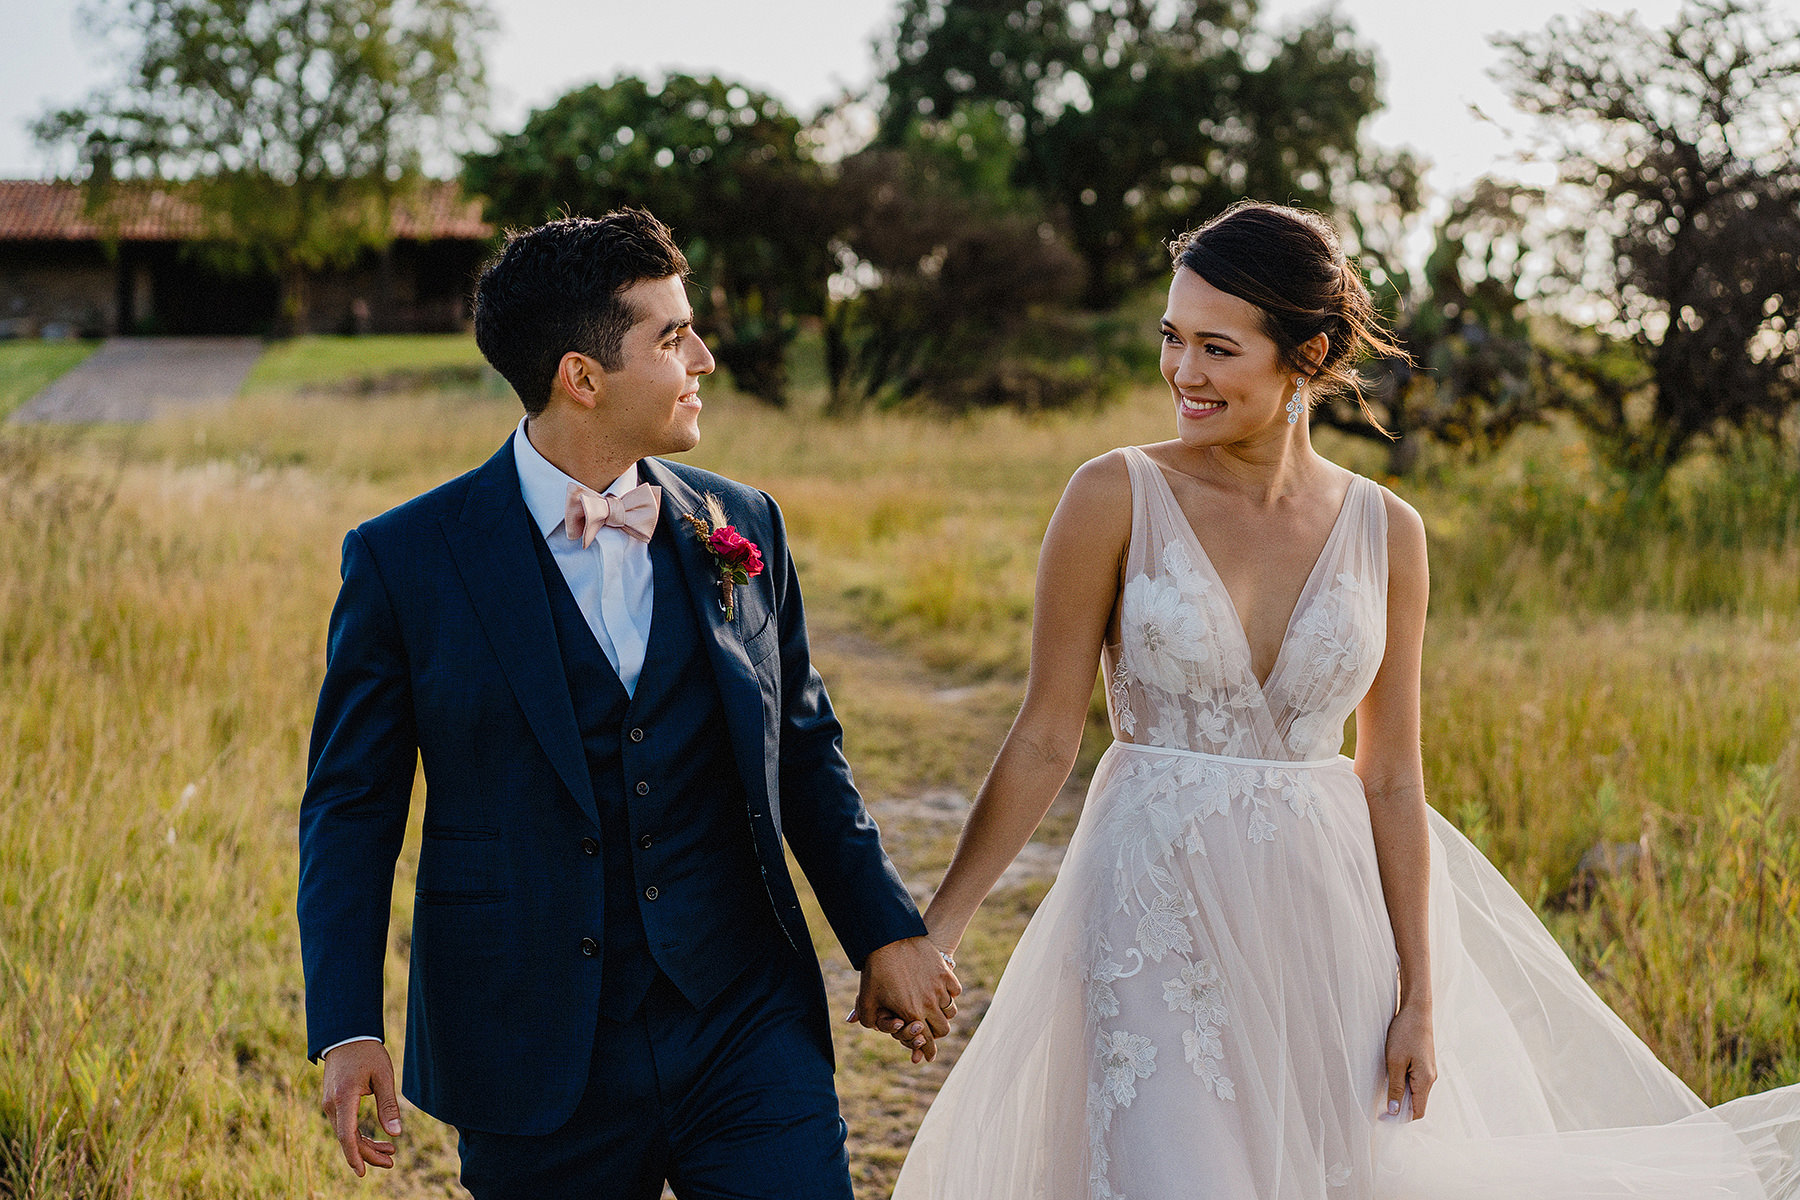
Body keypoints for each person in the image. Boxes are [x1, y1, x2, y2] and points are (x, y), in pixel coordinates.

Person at [887, 201, 1800, 1198]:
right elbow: (1044, 736)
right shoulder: (1113, 495)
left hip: (1325, 920)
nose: (1182, 373)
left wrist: (1419, 998)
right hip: (1152, 909)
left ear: (1307, 353)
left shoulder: (1388, 531)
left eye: (1216, 348)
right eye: (1172, 338)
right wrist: (940, 929)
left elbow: (1393, 778)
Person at [296, 208, 960, 1200]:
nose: (704, 356)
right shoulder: (406, 560)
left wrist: (885, 929)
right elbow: (351, 808)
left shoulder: (741, 521)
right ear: (583, 376)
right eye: (672, 335)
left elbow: (803, 744)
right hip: (529, 1041)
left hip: (743, 1015)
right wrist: (348, 1025)